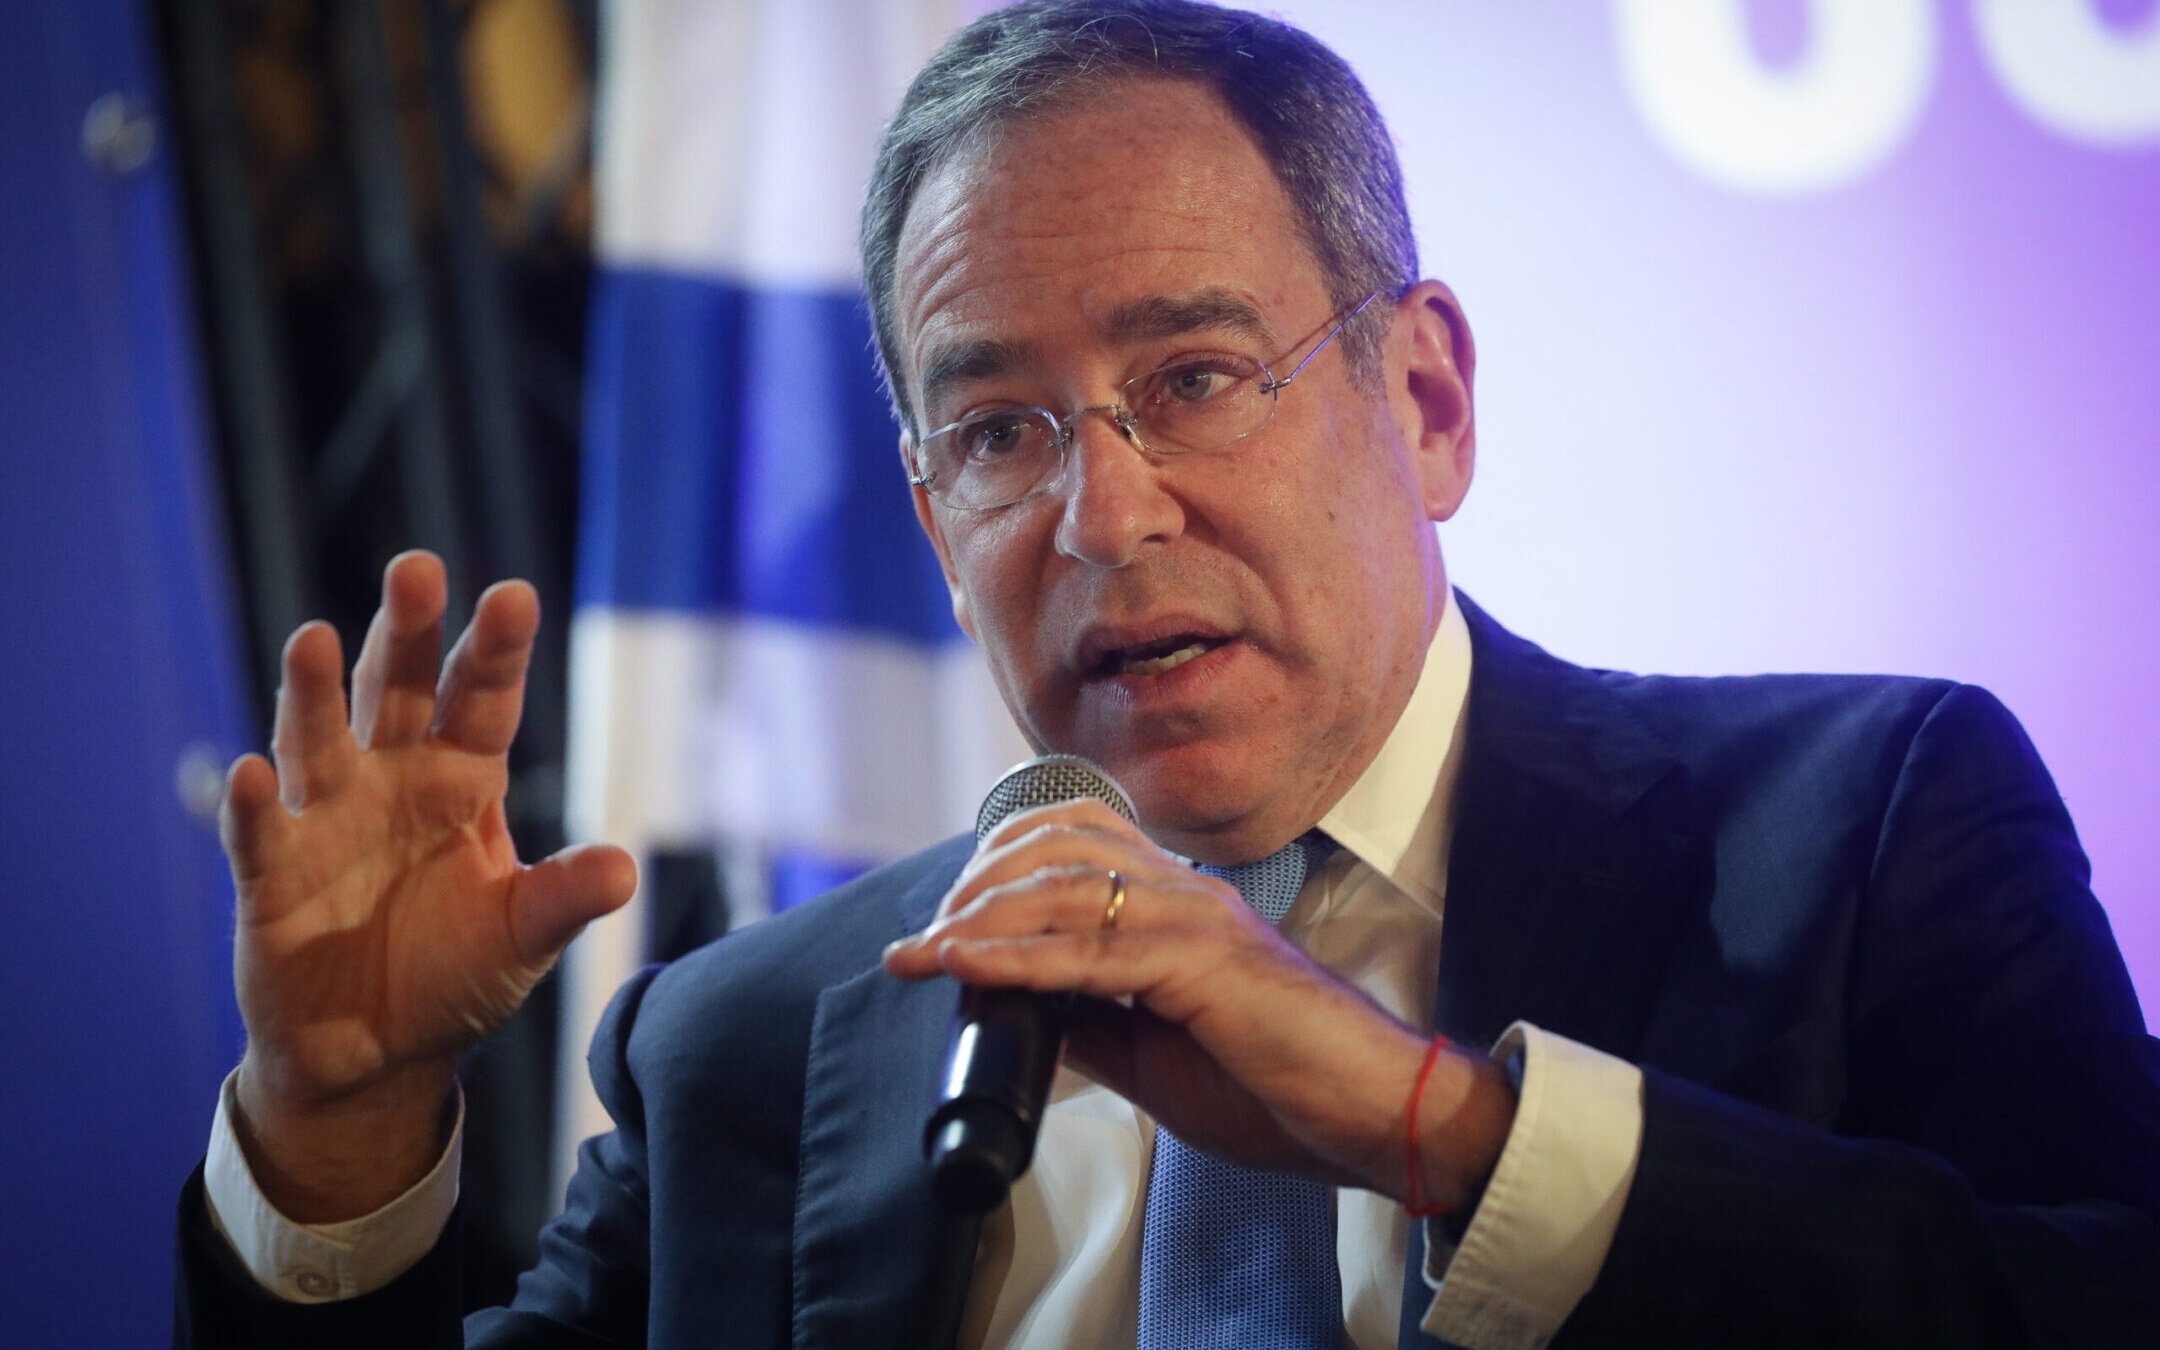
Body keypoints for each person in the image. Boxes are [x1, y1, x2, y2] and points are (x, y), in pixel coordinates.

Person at [174, 2, 2160, 1346]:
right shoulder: (751, 1044)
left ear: (1431, 398)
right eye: (1000, 431)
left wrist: (1437, 1130)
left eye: (1195, 380)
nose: (1103, 515)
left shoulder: (1863, 831)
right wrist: (337, 1124)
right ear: (933, 514)